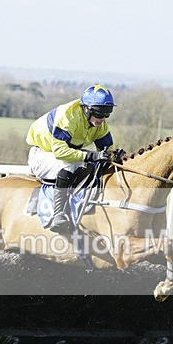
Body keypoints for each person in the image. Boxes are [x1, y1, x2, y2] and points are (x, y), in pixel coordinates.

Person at [27, 84, 119, 233]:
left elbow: (106, 151)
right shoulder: (68, 117)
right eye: (99, 113)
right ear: (87, 109)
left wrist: (114, 155)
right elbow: (60, 152)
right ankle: (58, 215)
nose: (102, 118)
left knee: (97, 165)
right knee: (67, 166)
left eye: (107, 114)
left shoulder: (99, 124)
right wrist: (91, 155)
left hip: (66, 153)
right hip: (41, 154)